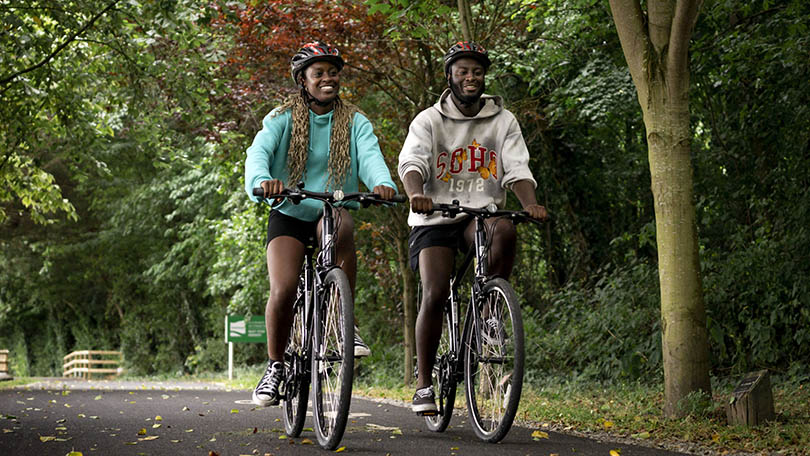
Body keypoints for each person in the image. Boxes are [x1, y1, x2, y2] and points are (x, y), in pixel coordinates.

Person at [397, 41, 548, 415]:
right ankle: (423, 383)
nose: (470, 77)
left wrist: (529, 204)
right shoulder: (428, 120)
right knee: (435, 292)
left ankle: (489, 317)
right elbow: (412, 162)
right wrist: (416, 193)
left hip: (479, 213)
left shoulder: (503, 120)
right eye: (463, 71)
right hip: (434, 216)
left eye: (477, 72)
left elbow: (516, 168)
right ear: (450, 76)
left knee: (504, 230)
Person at [245, 41, 397, 407]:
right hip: (290, 210)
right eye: (319, 73)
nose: (328, 78)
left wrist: (383, 183)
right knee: (282, 289)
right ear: (303, 80)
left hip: (332, 206)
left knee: (342, 225)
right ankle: (276, 366)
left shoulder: (355, 120)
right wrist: (263, 181)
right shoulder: (282, 117)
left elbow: (371, 155)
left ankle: (343, 323)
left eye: (333, 72)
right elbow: (259, 152)